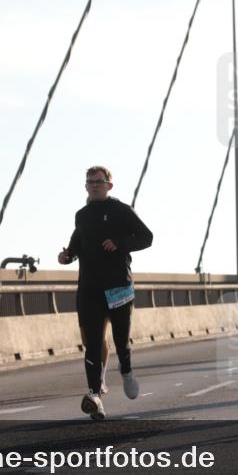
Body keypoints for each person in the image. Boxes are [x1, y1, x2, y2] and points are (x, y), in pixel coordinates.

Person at [59, 165, 153, 420]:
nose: (95, 185)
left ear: (109, 185)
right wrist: (67, 255)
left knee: (121, 340)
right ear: (86, 186)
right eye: (90, 182)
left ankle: (127, 372)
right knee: (91, 344)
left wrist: (120, 244)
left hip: (118, 285)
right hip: (89, 287)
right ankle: (95, 396)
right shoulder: (81, 215)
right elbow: (78, 243)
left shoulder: (121, 210)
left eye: (99, 182)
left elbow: (147, 237)